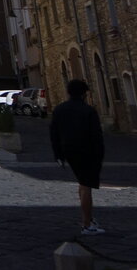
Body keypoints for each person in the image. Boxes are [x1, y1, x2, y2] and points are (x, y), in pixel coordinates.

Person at [49, 78, 106, 235]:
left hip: (69, 151)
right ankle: (87, 224)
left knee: (82, 183)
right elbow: (96, 136)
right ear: (83, 94)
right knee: (87, 185)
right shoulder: (88, 111)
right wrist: (99, 156)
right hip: (87, 151)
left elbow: (54, 133)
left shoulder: (59, 109)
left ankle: (88, 218)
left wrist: (58, 154)